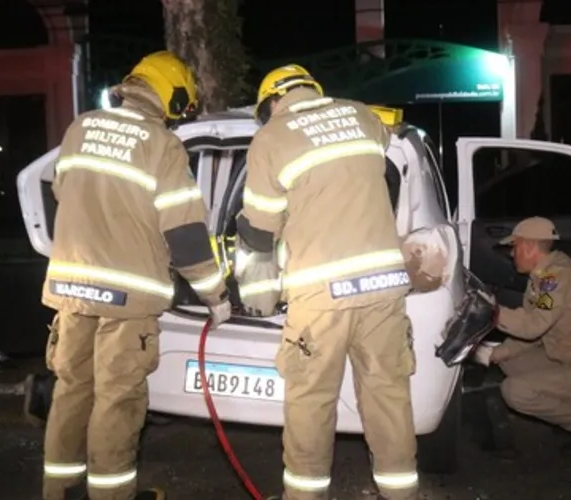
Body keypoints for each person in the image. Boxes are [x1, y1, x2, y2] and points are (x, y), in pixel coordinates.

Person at [37, 50, 232, 500]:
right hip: (126, 299)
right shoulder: (161, 145)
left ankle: (60, 491)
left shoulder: (80, 128)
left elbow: (63, 191)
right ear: (172, 94)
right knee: (117, 400)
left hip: (70, 290)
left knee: (71, 391)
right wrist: (216, 296)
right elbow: (183, 232)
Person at [236, 64, 419, 500]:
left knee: (311, 404)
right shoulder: (360, 115)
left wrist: (258, 299)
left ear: (271, 103)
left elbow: (258, 231)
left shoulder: (271, 137)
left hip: (321, 297)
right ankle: (401, 494)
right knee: (389, 401)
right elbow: (384, 140)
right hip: (383, 288)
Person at [472, 217, 571, 457]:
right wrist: (494, 354)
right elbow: (535, 332)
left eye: (514, 247)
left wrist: (493, 312)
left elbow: (534, 326)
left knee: (515, 391)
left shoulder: (554, 279)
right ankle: (567, 410)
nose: (513, 254)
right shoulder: (544, 277)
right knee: (510, 361)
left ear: (528, 246)